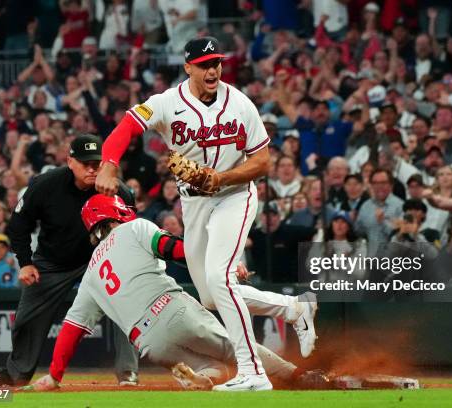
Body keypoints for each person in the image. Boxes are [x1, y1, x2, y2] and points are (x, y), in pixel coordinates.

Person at [95, 37, 317, 391]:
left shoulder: (240, 103)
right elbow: (126, 127)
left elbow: (262, 161)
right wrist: (108, 166)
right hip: (194, 204)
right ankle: (294, 309)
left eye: (216, 62)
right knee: (212, 296)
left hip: (235, 196)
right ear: (188, 68)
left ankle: (253, 372)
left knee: (220, 279)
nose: (212, 69)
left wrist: (223, 177)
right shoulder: (167, 102)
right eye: (204, 64)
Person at [18, 194, 329, 392]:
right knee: (237, 350)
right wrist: (221, 263)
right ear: (115, 213)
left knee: (214, 370)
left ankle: (199, 377)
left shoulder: (90, 276)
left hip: (150, 344)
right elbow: (176, 249)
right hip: (172, 309)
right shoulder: (135, 228)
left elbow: (72, 329)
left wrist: (55, 375)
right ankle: (298, 375)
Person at [0, 135, 139, 388]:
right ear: (70, 161)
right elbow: (19, 224)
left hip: (101, 260)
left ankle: (128, 372)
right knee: (26, 316)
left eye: (97, 163)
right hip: (54, 261)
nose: (92, 168)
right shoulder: (45, 185)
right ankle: (16, 374)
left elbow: (133, 231)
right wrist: (25, 262)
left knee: (126, 303)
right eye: (85, 163)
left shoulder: (118, 190)